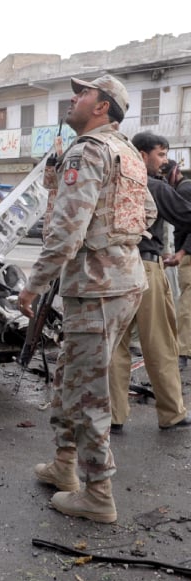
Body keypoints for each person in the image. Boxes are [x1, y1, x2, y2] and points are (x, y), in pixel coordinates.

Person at [18, 74, 155, 524]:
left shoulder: (89, 149)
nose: (74, 98)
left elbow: (65, 230)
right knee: (69, 375)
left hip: (96, 286)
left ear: (102, 106)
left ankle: (98, 492)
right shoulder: (127, 151)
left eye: (83, 93)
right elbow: (147, 213)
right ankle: (64, 466)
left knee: (88, 391)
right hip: (122, 281)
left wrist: (34, 284)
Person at [109, 133, 191, 433]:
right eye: (160, 153)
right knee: (159, 343)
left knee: (116, 345)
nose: (165, 160)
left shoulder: (113, 182)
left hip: (113, 270)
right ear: (142, 155)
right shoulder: (153, 185)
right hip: (144, 267)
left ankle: (114, 416)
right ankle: (171, 413)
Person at [163, 159, 191, 368]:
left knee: (186, 303)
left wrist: (182, 252)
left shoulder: (184, 190)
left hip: (188, 255)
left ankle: (183, 351)